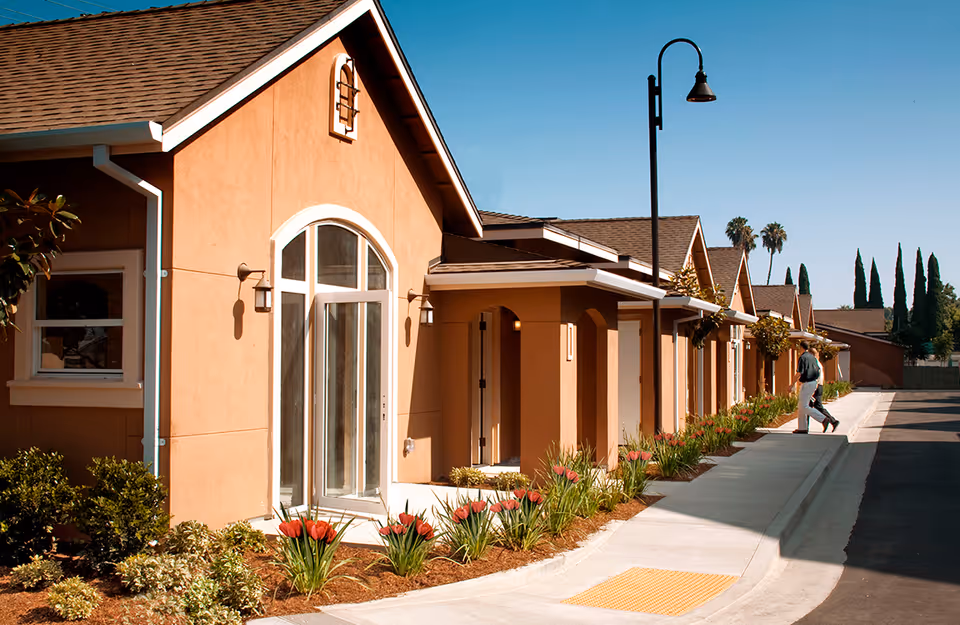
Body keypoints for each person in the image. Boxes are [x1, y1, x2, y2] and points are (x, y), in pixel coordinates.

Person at [790, 340, 830, 434]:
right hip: (813, 383)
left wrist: (791, 384)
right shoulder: (812, 357)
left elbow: (799, 372)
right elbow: (817, 370)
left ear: (801, 347)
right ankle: (802, 428)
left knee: (803, 406)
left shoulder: (803, 357)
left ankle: (823, 419)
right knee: (801, 406)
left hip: (807, 383)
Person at [810, 348, 839, 432]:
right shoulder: (818, 363)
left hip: (816, 387)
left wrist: (812, 390)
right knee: (810, 407)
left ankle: (832, 421)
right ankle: (830, 421)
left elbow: (816, 377)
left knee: (814, 406)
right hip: (818, 386)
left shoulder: (815, 363)